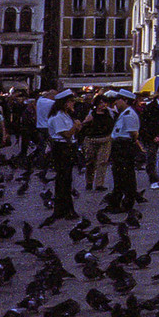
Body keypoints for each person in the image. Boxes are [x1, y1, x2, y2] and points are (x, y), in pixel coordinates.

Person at [108, 92, 144, 212]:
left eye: (118, 101)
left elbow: (134, 134)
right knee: (119, 175)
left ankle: (127, 202)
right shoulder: (123, 114)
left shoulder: (129, 115)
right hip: (119, 145)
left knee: (125, 175)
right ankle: (118, 201)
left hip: (124, 146)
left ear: (125, 101)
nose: (115, 104)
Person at [47, 91, 80, 220]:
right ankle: (63, 209)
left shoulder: (67, 116)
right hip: (61, 148)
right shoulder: (58, 117)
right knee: (63, 179)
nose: (73, 104)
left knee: (67, 179)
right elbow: (66, 134)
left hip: (68, 147)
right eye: (71, 101)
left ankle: (66, 208)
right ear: (65, 103)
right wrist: (75, 126)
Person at [79, 93, 114, 192]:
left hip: (105, 139)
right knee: (90, 162)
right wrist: (86, 121)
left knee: (102, 162)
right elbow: (83, 126)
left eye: (105, 103)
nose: (103, 105)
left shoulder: (109, 113)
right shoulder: (91, 113)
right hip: (91, 139)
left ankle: (99, 184)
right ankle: (89, 182)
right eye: (101, 103)